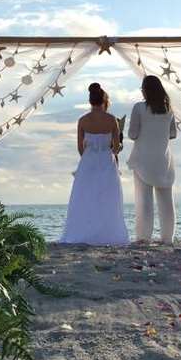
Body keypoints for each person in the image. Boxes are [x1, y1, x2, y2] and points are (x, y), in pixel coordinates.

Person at [60, 83, 129, 245]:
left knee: (85, 198)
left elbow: (79, 148)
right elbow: (116, 148)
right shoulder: (112, 119)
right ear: (104, 101)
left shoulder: (83, 120)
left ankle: (84, 232)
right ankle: (107, 233)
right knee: (107, 199)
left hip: (88, 162)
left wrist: (89, 157)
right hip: (106, 161)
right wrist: (110, 149)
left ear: (90, 101)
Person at [128, 75, 177, 244]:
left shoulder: (139, 108)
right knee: (167, 202)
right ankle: (167, 238)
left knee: (144, 202)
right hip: (163, 160)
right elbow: (173, 134)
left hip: (143, 159)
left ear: (145, 90)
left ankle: (143, 237)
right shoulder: (169, 110)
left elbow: (132, 134)